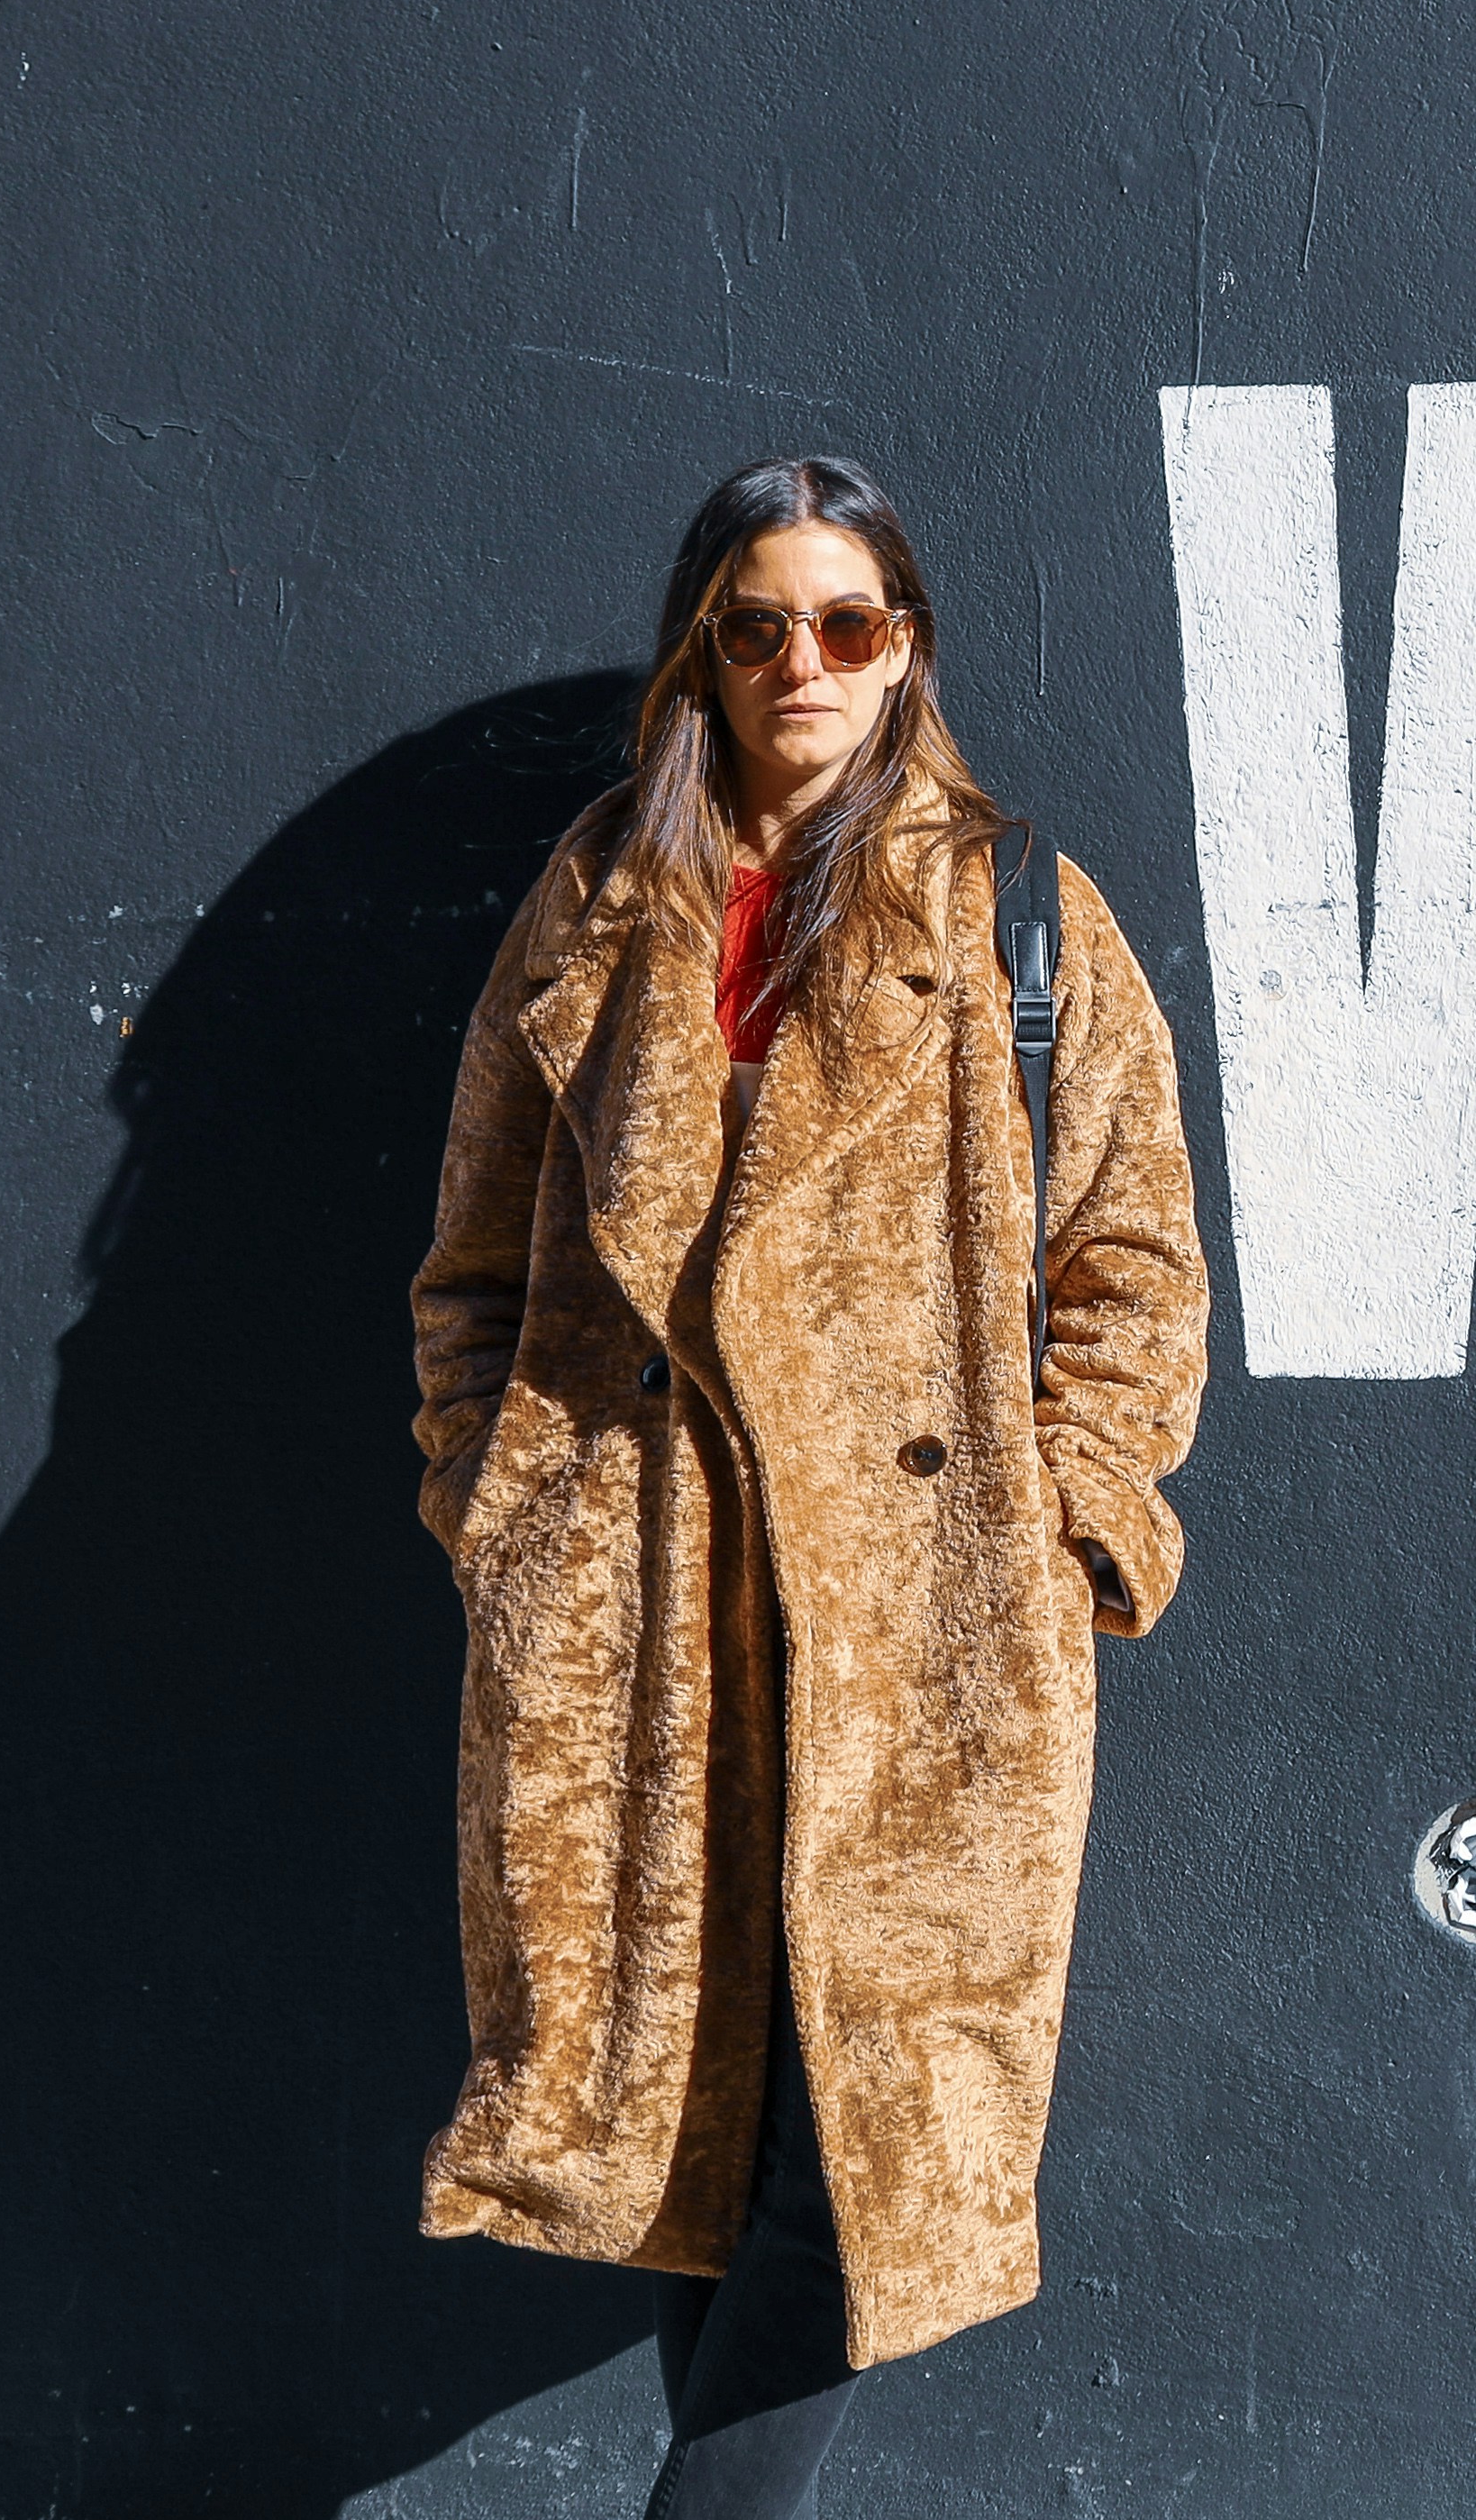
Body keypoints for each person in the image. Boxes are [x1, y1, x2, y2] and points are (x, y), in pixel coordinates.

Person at [405, 456, 1213, 2520]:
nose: (802, 666)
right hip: (638, 1606)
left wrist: (1071, 1524)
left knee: (870, 2143)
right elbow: (477, 1260)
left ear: (907, 648)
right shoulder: (594, 909)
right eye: (758, 625)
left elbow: (1130, 1259)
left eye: (846, 624)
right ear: (703, 647)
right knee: (697, 2115)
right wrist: (496, 1510)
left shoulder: (1018, 910)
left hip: (922, 1609)